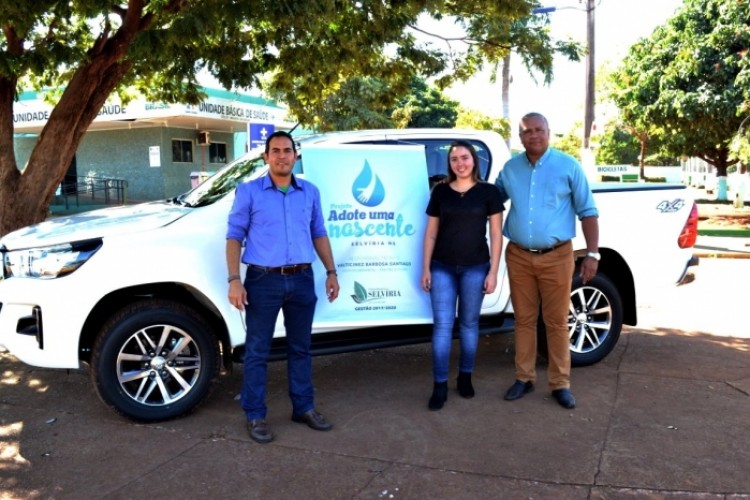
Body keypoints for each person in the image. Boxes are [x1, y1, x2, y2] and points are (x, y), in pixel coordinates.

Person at [226, 130, 340, 444]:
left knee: (301, 348)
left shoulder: (310, 192)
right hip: (263, 281)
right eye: (275, 151)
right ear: (266, 157)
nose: (281, 156)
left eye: (287, 150)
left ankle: (303, 407)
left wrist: (331, 272)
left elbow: (319, 232)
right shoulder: (249, 192)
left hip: (302, 279)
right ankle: (255, 414)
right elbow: (234, 236)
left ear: (295, 155)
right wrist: (234, 280)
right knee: (257, 351)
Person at [495, 112, 599, 410]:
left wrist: (592, 253)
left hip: (557, 257)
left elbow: (588, 211)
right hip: (519, 256)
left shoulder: (568, 166)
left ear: (548, 132)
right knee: (524, 320)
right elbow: (492, 199)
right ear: (520, 137)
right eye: (527, 131)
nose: (534, 135)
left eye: (539, 130)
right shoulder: (511, 168)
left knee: (556, 321)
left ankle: (560, 384)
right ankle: (524, 377)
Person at [421, 141, 504, 410]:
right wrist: (425, 268)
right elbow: (431, 233)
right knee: (442, 326)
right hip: (442, 267)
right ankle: (440, 385)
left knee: (469, 324)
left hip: (476, 268)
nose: (460, 163)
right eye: (454, 159)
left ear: (474, 160)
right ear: (450, 163)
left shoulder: (489, 192)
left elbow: (496, 235)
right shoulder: (441, 192)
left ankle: (465, 377)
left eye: (464, 157)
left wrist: (493, 271)